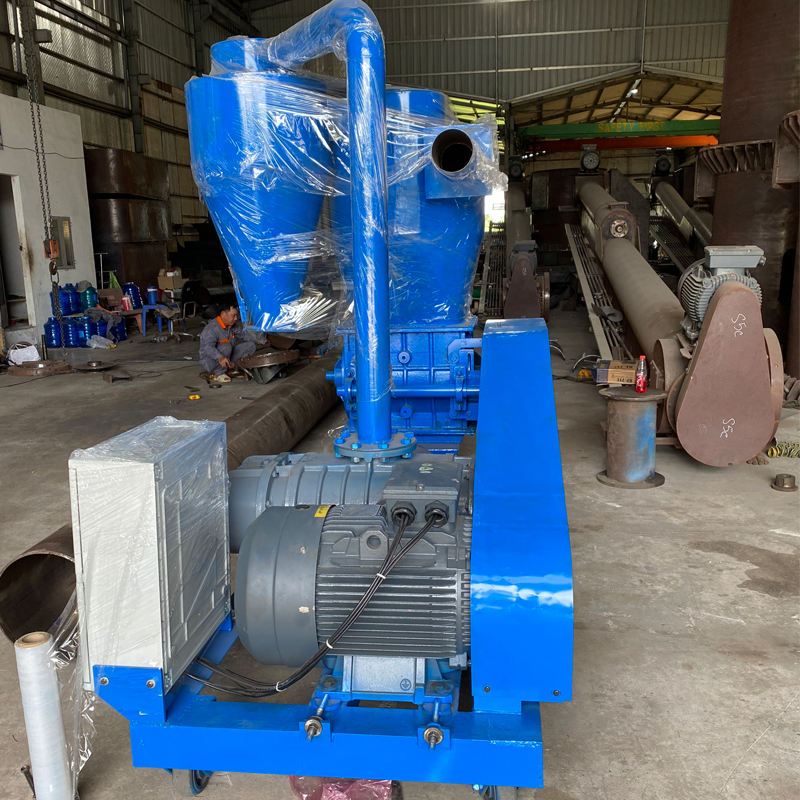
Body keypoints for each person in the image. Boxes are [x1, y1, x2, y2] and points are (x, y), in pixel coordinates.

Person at [199, 303, 256, 383]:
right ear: (223, 314)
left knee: (251, 345)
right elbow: (208, 348)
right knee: (226, 346)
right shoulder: (212, 328)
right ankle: (218, 373)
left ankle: (232, 368)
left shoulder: (232, 326)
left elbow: (244, 335)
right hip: (210, 361)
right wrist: (220, 357)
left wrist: (260, 341)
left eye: (236, 315)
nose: (236, 318)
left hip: (227, 356)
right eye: (233, 315)